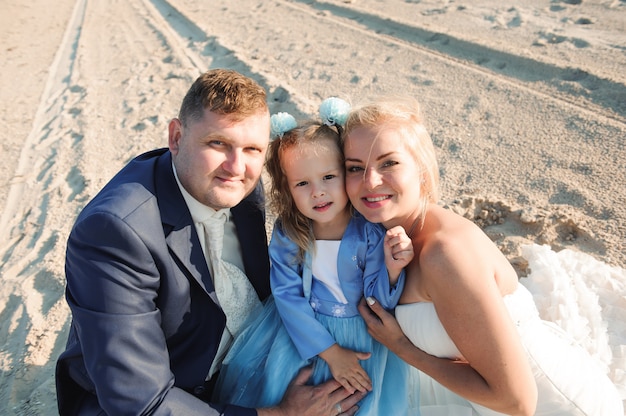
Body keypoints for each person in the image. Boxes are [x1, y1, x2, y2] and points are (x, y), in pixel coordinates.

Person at [55, 69, 365, 416]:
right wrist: (279, 414)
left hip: (239, 370)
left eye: (251, 149)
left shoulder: (240, 187)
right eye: (217, 143)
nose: (236, 166)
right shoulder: (114, 233)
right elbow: (139, 402)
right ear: (176, 137)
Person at [344, 96, 624, 416]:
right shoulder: (383, 233)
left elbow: (517, 402)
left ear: (421, 169)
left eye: (388, 163)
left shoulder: (445, 255)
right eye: (355, 167)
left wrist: (403, 348)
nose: (370, 181)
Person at [213, 101, 413, 415]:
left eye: (328, 177)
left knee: (355, 403)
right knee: (303, 395)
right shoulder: (291, 232)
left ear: (346, 174)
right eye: (302, 184)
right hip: (302, 335)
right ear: (287, 189)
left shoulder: (370, 232)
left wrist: (392, 268)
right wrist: (330, 352)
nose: (317, 192)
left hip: (361, 339)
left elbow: (378, 301)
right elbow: (286, 295)